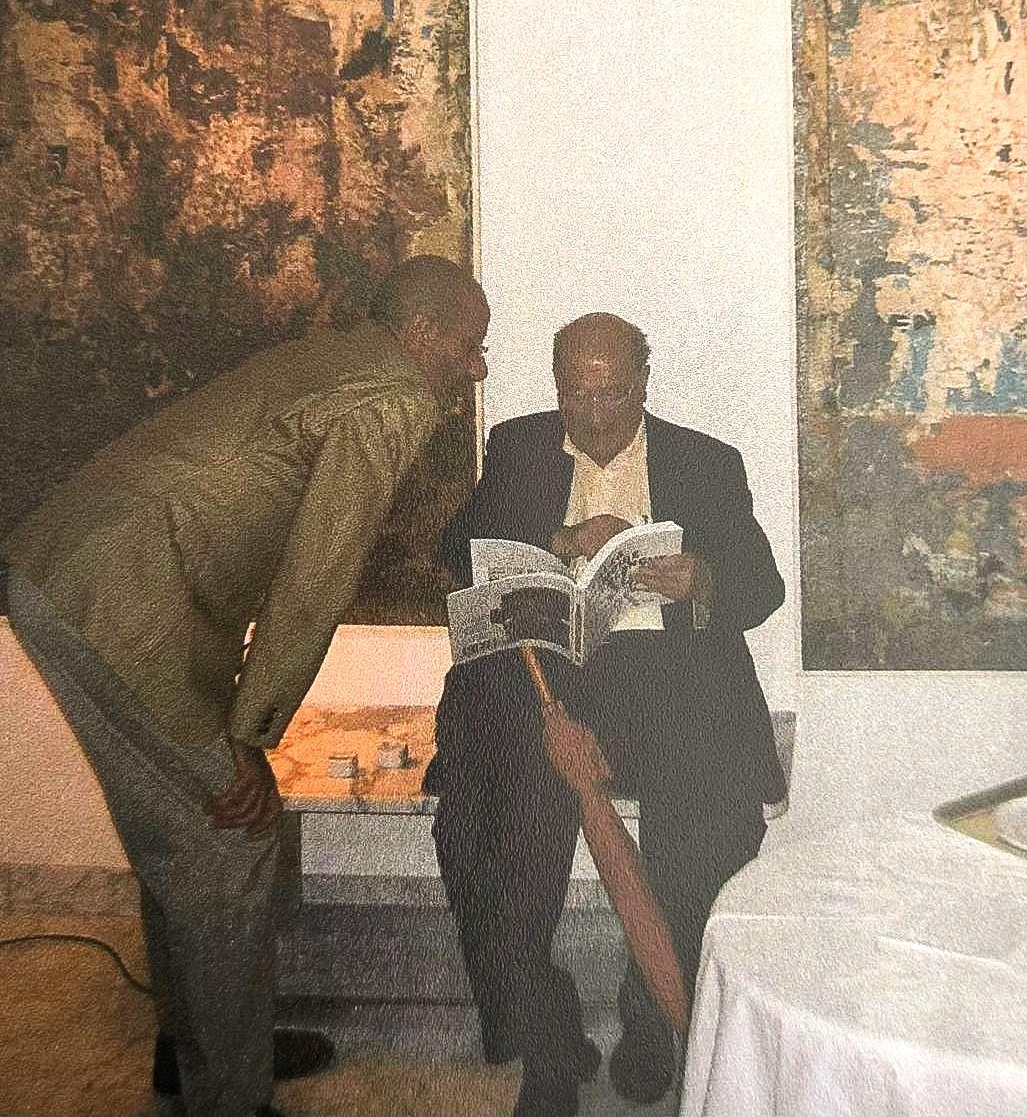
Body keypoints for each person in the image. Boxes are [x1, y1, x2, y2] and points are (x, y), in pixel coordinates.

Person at [2, 256, 489, 1117]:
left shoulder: (342, 358)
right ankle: (228, 1093)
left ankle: (200, 1049)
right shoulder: (391, 395)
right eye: (469, 342)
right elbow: (316, 577)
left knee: (186, 839)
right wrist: (249, 737)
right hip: (119, 601)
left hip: (75, 575)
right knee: (232, 838)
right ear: (422, 330)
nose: (476, 366)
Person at [427, 312, 785, 1117]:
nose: (593, 415)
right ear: (556, 386)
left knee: (708, 824)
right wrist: (557, 540)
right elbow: (458, 548)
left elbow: (761, 589)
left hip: (671, 677)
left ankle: (656, 1014)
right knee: (491, 828)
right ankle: (547, 1040)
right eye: (575, 393)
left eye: (612, 393)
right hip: (547, 674)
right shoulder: (518, 446)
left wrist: (700, 578)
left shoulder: (703, 460)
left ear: (643, 382)